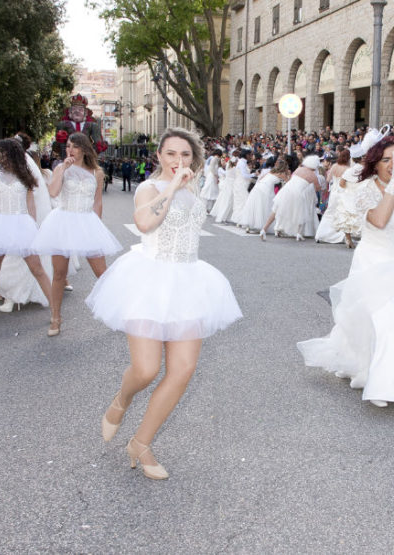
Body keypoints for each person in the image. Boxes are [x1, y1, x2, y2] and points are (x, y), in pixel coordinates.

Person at [87, 128, 241, 480]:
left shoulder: (195, 188)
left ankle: (141, 443)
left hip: (188, 281)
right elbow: (144, 222)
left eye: (185, 155)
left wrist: (185, 187)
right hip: (150, 280)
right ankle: (121, 400)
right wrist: (171, 188)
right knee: (145, 370)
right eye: (171, 154)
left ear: (193, 159)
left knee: (182, 371)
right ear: (159, 156)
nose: (178, 161)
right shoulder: (149, 188)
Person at [297, 136, 394, 411]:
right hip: (374, 261)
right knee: (386, 324)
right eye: (386, 159)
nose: (393, 164)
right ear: (375, 164)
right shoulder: (365, 189)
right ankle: (384, 383)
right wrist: (392, 185)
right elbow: (379, 221)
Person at [31, 133, 121, 336]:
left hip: (87, 221)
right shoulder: (61, 168)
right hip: (63, 221)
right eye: (68, 146)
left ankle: (117, 311)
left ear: (84, 149)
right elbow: (53, 192)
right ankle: (55, 318)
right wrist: (63, 169)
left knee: (102, 273)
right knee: (59, 275)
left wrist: (97, 226)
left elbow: (98, 201)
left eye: (75, 146)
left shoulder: (96, 172)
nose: (70, 150)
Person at [0, 139, 53, 326]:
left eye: (0, 152)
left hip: (22, 224)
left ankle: (55, 312)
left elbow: (31, 206)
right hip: (0, 224)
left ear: (10, 154)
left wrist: (34, 229)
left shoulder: (26, 177)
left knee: (37, 269)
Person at [263, 155, 321, 240]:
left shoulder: (298, 169)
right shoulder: (313, 176)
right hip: (298, 193)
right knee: (300, 212)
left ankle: (265, 228)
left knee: (277, 209)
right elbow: (318, 188)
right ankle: (298, 233)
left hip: (286, 190)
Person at [237, 156, 287, 233]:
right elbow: (288, 183)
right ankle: (261, 226)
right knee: (266, 207)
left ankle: (251, 226)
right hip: (266, 190)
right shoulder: (282, 174)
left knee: (256, 207)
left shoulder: (271, 171)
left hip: (258, 187)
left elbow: (261, 178)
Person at [314, 148, 352, 246]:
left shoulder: (335, 166)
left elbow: (327, 179)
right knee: (341, 213)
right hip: (343, 192)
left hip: (334, 192)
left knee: (329, 213)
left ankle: (320, 234)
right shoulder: (348, 169)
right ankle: (338, 235)